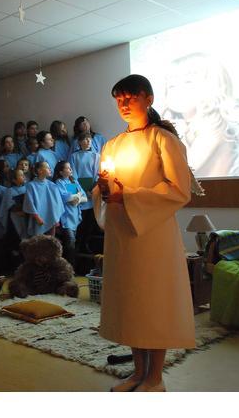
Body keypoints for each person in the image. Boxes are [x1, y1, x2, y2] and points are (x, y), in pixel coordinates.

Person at [93, 74, 196, 392]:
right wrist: (103, 190)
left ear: (148, 98)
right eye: (118, 99)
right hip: (122, 235)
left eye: (130, 97)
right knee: (131, 302)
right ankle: (138, 372)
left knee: (153, 301)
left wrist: (129, 196)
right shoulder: (112, 144)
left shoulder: (164, 140)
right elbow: (105, 186)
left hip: (153, 235)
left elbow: (179, 189)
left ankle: (155, 377)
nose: (123, 104)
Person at [69, 132, 100, 253]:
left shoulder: (96, 156)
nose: (88, 142)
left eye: (89, 140)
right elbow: (73, 175)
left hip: (92, 189)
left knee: (90, 219)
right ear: (79, 142)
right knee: (79, 218)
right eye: (85, 140)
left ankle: (85, 243)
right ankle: (77, 244)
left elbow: (97, 174)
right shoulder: (74, 156)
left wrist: (92, 190)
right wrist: (81, 191)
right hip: (79, 189)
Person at [53, 161, 86, 268]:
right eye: (67, 168)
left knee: (73, 243)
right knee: (69, 243)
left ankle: (72, 268)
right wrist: (77, 196)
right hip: (66, 217)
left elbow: (84, 197)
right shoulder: (59, 182)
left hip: (75, 215)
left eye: (70, 167)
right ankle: (68, 268)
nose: (70, 169)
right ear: (61, 172)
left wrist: (76, 198)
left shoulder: (74, 181)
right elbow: (66, 198)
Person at [23, 161, 65, 237]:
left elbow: (58, 203)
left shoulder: (52, 185)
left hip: (52, 218)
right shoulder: (31, 185)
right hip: (38, 220)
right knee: (39, 241)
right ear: (40, 170)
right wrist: (37, 217)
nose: (50, 169)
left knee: (51, 241)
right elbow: (29, 203)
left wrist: (56, 218)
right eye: (48, 168)